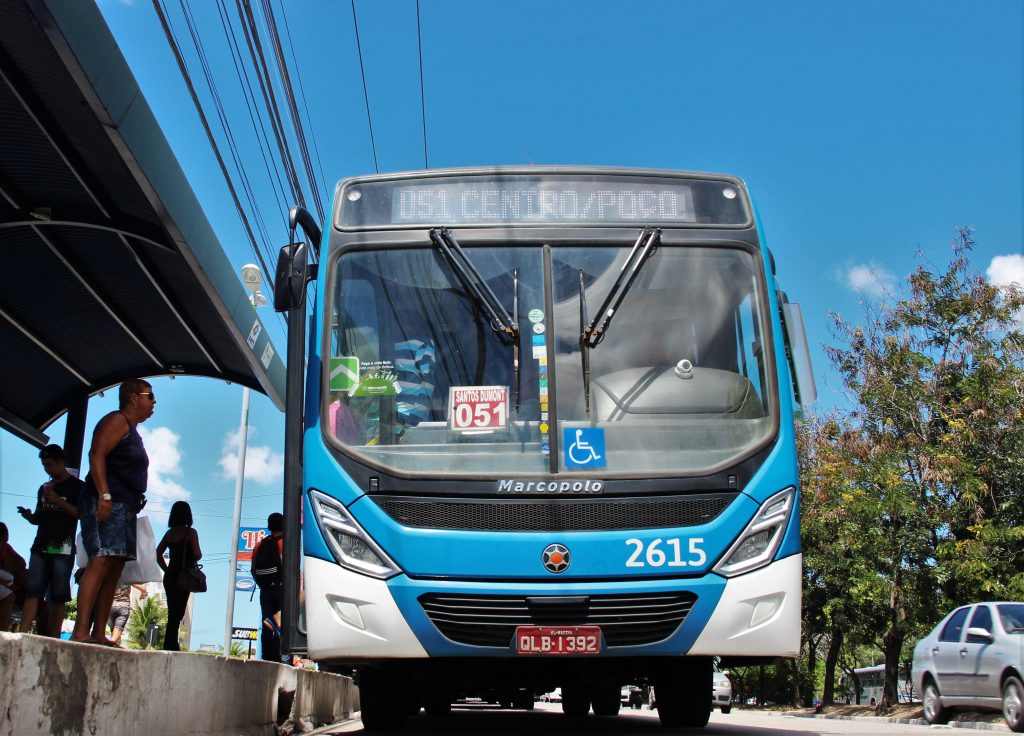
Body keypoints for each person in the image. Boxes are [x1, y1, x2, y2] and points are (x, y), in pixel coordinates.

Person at [71, 379, 154, 645]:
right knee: (101, 560)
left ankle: (98, 632)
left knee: (115, 567)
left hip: (126, 504)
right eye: (150, 396)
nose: (153, 403)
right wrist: (104, 495)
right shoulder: (116, 420)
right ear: (133, 398)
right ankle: (80, 630)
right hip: (108, 499)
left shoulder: (133, 430)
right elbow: (96, 454)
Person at [17, 444, 84, 637]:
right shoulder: (44, 488)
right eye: (44, 465)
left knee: (58, 594)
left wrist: (59, 501)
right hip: (40, 544)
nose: (47, 469)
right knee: (33, 590)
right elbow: (39, 517)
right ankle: (22, 632)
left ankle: (54, 636)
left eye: (50, 464)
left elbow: (79, 513)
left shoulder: (77, 487)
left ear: (61, 462)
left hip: (62, 545)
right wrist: (29, 516)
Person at [156, 501, 201, 651]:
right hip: (184, 576)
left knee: (172, 610)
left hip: (170, 575)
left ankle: (169, 643)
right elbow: (198, 554)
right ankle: (171, 644)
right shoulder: (191, 532)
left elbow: (158, 553)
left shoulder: (169, 533)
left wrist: (167, 568)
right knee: (179, 611)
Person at [251, 512, 284, 661]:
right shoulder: (286, 542)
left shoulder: (259, 545)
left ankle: (266, 656)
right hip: (281, 589)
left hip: (265, 590)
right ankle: (278, 655)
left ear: (269, 526)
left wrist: (262, 585)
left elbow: (253, 570)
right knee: (280, 622)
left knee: (266, 621)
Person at [0, 522, 28, 631]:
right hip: (11, 586)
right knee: (9, 596)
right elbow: (20, 568)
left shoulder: (6, 550)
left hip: (14, 585)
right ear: (5, 537)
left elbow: (20, 569)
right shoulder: (4, 548)